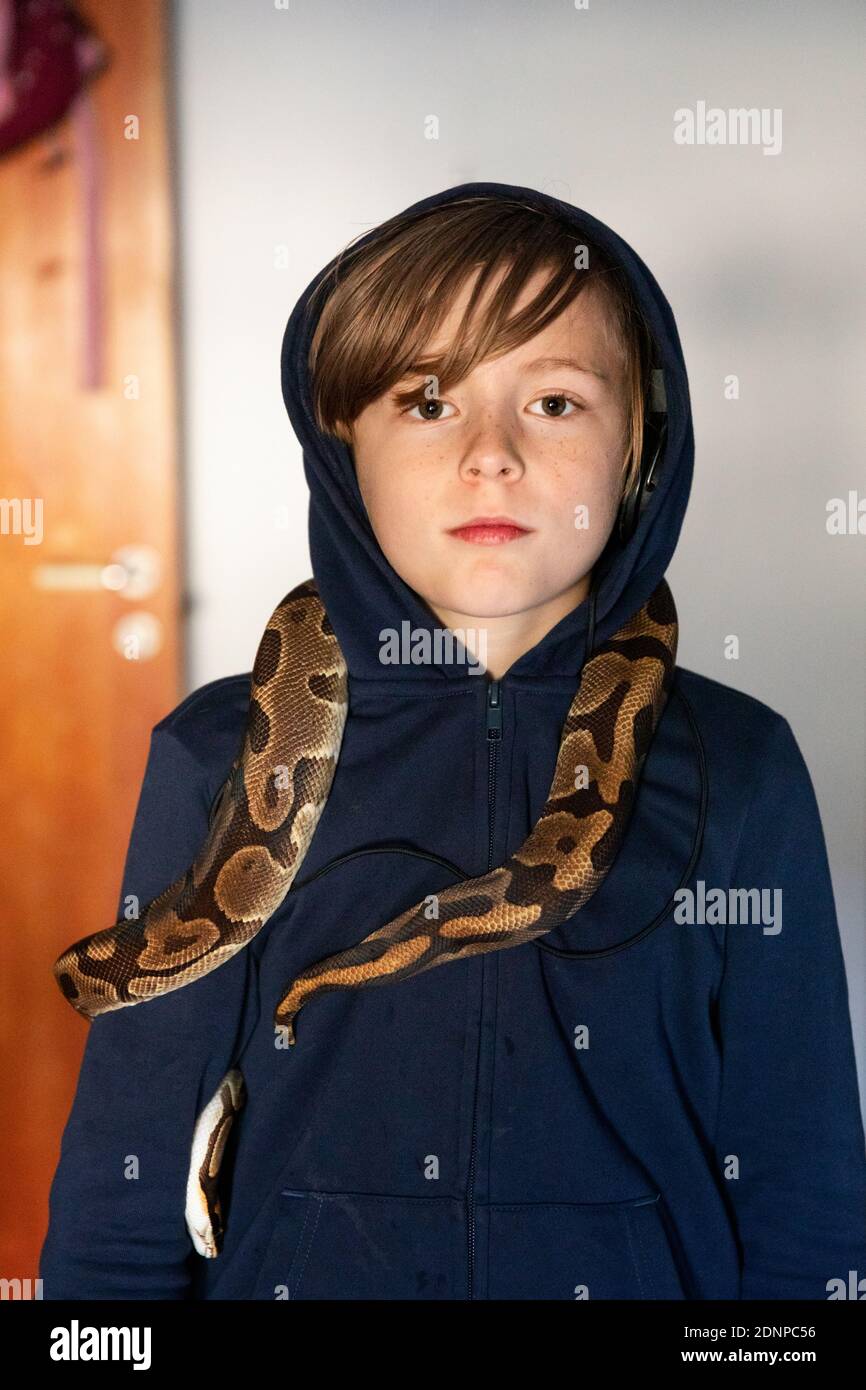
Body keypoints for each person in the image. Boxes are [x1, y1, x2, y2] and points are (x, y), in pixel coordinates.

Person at [40, 181, 866, 1300]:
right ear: (342, 444)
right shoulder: (211, 752)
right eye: (427, 402)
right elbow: (122, 1184)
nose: (490, 454)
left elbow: (800, 1178)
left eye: (556, 403)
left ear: (638, 450)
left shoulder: (740, 767)